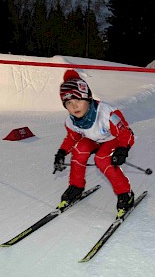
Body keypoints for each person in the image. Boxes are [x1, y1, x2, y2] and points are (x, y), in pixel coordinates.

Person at [54, 69, 135, 218]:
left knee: (102, 159)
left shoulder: (107, 114)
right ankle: (76, 187)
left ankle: (125, 193)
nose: (74, 106)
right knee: (80, 150)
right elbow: (72, 138)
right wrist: (61, 153)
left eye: (78, 100)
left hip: (112, 139)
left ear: (88, 98)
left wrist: (122, 149)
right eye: (68, 103)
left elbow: (126, 134)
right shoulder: (71, 121)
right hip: (94, 140)